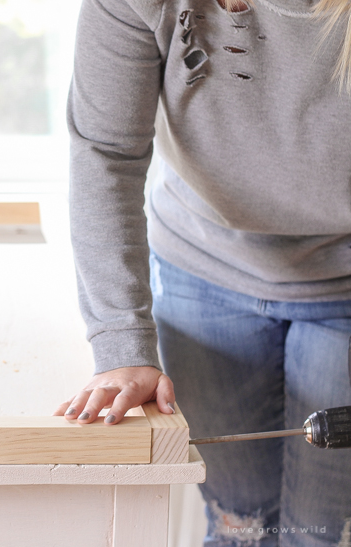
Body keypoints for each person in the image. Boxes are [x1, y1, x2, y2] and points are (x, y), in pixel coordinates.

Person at [51, 0, 351, 544]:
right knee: (240, 522)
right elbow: (104, 153)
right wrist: (123, 345)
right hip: (203, 272)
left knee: (319, 530)